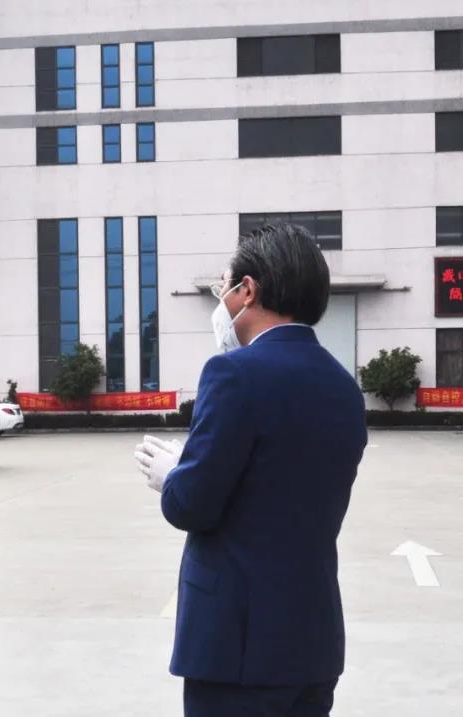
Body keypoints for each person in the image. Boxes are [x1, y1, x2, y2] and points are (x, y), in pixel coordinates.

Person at [135, 223, 367, 716]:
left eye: (223, 286)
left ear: (248, 290)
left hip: (237, 648)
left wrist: (173, 474)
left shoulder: (234, 374)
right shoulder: (343, 386)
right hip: (312, 640)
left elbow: (191, 505)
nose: (221, 301)